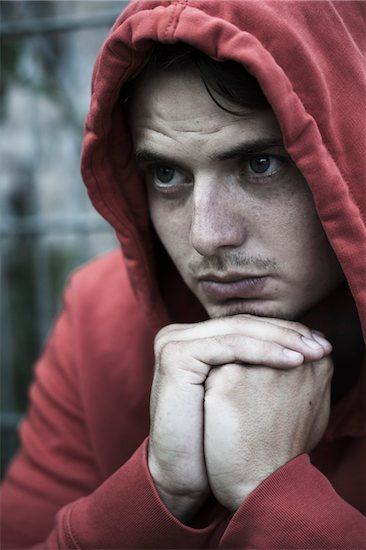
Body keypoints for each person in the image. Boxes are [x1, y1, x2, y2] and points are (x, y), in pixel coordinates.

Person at [1, 0, 365, 548]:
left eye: (261, 164)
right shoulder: (101, 321)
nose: (206, 236)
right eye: (167, 174)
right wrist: (158, 491)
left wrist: (270, 492)